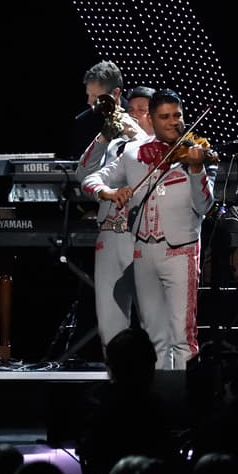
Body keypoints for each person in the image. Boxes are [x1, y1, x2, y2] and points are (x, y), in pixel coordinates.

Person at [82, 89, 216, 368]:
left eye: (177, 116)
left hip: (180, 251)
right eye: (164, 117)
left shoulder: (195, 152)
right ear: (151, 120)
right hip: (143, 250)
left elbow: (204, 205)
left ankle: (187, 393)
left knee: (183, 336)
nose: (173, 123)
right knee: (154, 336)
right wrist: (109, 193)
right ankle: (160, 392)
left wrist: (196, 169)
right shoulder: (133, 153)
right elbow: (90, 179)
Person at [75, 63, 149, 347]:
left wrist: (134, 134)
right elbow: (83, 174)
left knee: (151, 322)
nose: (90, 103)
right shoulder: (108, 136)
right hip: (108, 234)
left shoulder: (140, 130)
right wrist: (104, 136)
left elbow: (150, 162)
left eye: (96, 98)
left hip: (138, 235)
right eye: (89, 96)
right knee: (110, 326)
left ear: (115, 94)